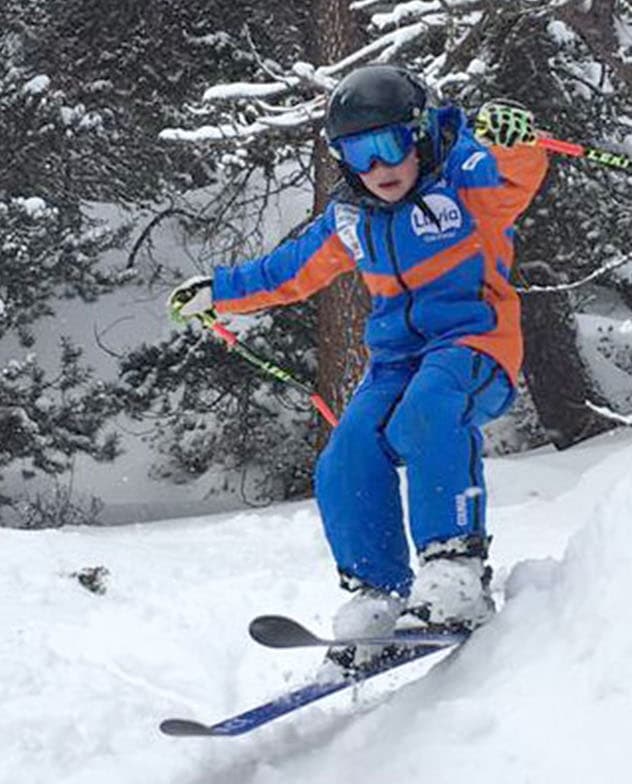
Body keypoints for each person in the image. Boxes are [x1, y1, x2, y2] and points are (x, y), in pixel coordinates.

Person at [167, 64, 548, 668]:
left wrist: (515, 142)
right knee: (347, 453)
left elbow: (511, 179)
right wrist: (219, 291)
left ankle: (454, 568)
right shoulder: (353, 218)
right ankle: (380, 593)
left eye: (390, 145)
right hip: (397, 361)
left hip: (475, 346)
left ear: (419, 135)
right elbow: (288, 270)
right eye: (358, 153)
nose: (379, 169)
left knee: (427, 413)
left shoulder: (462, 177)